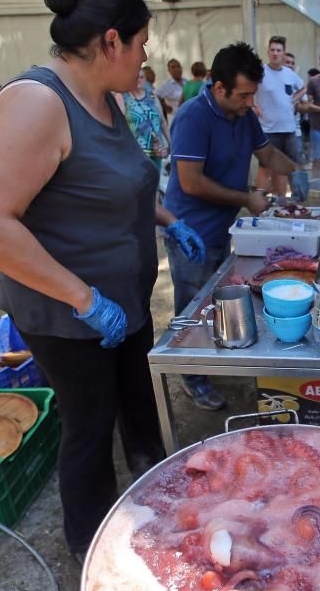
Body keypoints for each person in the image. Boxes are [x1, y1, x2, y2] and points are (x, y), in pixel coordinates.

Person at [0, 0, 205, 563]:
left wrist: (170, 222)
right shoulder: (36, 101)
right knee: (89, 429)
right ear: (110, 40)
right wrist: (82, 297)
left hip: (122, 301)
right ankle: (91, 546)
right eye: (141, 44)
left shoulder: (103, 97)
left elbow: (104, 188)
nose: (145, 58)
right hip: (69, 314)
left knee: (140, 408)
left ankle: (156, 510)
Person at [165, 42, 307, 410]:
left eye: (252, 94)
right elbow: (191, 182)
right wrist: (246, 198)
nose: (249, 102)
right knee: (192, 305)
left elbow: (267, 154)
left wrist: (298, 171)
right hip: (190, 231)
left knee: (218, 298)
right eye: (243, 94)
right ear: (219, 87)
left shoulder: (244, 116)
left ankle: (214, 359)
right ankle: (193, 377)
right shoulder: (192, 118)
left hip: (223, 227)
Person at [254, 35, 304, 196]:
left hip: (289, 129)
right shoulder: (260, 72)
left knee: (287, 167)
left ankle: (285, 202)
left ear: (284, 53)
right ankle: (258, 201)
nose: (275, 53)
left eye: (279, 50)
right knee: (265, 167)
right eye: (273, 50)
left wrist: (293, 100)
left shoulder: (289, 73)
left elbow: (303, 88)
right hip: (268, 129)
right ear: (268, 52)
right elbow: (247, 89)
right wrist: (253, 105)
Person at [116, 70, 170, 172]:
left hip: (156, 149)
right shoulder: (123, 97)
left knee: (156, 182)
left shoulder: (152, 96)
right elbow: (120, 126)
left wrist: (171, 143)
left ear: (145, 79)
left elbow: (162, 122)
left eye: (141, 77)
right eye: (136, 77)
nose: (138, 80)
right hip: (137, 153)